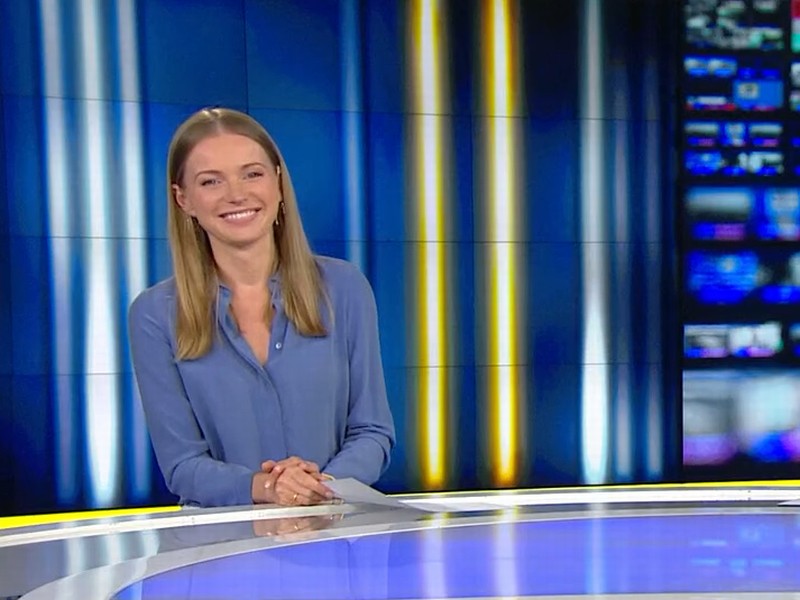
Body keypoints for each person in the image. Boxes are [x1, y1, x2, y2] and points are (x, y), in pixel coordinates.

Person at [128, 107, 395, 508]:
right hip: (224, 539)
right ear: (184, 199)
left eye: (252, 174)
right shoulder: (154, 314)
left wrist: (318, 488)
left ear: (279, 182)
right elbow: (182, 465)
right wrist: (269, 488)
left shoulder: (344, 288)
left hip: (336, 527)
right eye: (211, 181)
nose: (236, 194)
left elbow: (373, 432)